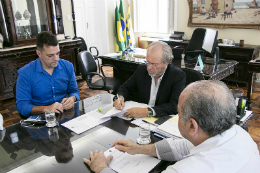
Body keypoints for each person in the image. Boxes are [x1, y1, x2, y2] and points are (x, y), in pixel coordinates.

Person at [84, 80, 260, 173]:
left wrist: (102, 169)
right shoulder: (238, 133)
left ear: (192, 125)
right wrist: (139, 148)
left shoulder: (186, 170)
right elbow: (183, 146)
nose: (177, 116)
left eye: (179, 112)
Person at [113, 41, 185, 118]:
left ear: (166, 62)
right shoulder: (141, 69)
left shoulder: (177, 75)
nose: (149, 67)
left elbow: (174, 106)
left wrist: (148, 111)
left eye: (154, 64)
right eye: (147, 62)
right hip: (139, 120)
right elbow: (125, 87)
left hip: (161, 119)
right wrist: (120, 97)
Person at [16, 31, 80, 118]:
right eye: (50, 55)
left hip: (64, 115)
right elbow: (22, 107)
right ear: (39, 53)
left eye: (57, 53)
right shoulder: (25, 73)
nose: (56, 58)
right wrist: (47, 108)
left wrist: (72, 99)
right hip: (40, 119)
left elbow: (74, 91)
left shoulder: (67, 66)